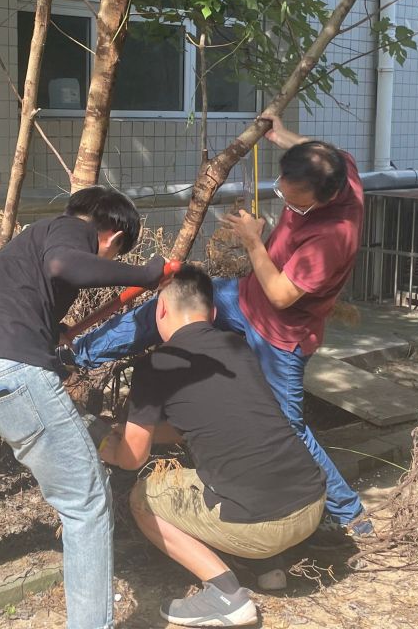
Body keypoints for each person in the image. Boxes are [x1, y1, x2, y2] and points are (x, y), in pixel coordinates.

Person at [74, 115, 370, 540]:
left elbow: (281, 295)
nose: (286, 201)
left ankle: (350, 514)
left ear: (324, 198)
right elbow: (315, 150)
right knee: (165, 305)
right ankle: (75, 356)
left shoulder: (333, 237)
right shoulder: (337, 166)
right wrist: (279, 134)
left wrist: (253, 240)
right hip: (243, 297)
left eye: (296, 203)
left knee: (287, 426)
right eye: (282, 190)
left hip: (280, 335)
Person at [0, 187, 165, 629]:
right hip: (4, 371)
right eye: (117, 251)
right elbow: (65, 264)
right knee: (85, 501)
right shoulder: (72, 229)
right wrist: (146, 273)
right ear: (113, 236)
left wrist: (51, 328)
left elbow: (17, 301)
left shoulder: (26, 246)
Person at [99, 265, 325, 627]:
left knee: (143, 498)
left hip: (261, 527)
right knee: (237, 461)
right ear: (214, 311)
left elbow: (132, 458)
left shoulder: (156, 365)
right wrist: (143, 433)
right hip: (311, 504)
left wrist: (108, 446)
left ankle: (226, 596)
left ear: (160, 310)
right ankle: (269, 568)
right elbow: (202, 425)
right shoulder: (238, 347)